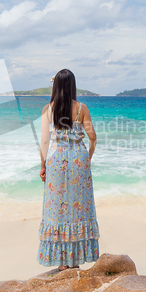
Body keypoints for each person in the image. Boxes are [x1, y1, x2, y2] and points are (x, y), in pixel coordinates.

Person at [37, 69, 100, 271]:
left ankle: (62, 262)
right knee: (79, 208)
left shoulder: (48, 109)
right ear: (73, 85)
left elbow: (45, 141)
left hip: (56, 160)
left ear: (55, 85)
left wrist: (42, 164)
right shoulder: (82, 108)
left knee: (56, 209)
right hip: (78, 160)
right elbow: (93, 137)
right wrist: (87, 158)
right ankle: (76, 260)